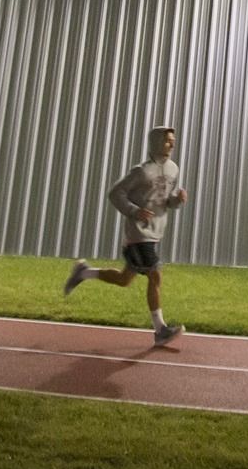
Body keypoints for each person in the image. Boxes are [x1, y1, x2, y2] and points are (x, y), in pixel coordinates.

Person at [64, 123, 189, 345]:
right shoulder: (140, 171)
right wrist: (134, 211)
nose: (172, 143)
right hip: (138, 234)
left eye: (173, 140)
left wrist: (176, 201)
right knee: (155, 275)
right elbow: (115, 193)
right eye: (167, 140)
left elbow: (165, 200)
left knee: (124, 279)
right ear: (156, 142)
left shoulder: (173, 169)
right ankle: (160, 330)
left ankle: (84, 272)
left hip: (155, 231)